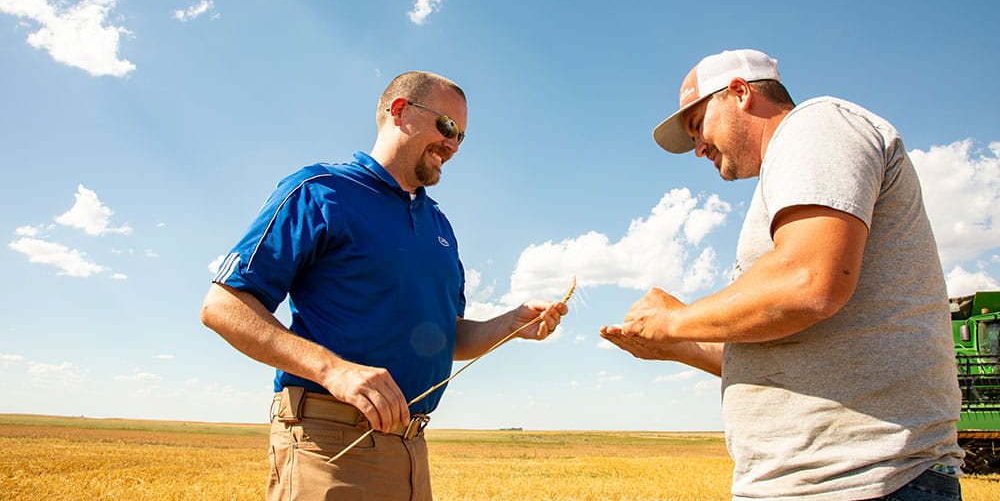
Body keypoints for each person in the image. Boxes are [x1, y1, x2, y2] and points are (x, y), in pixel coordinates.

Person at [600, 50, 964, 500]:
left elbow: (807, 283)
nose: (698, 148)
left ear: (739, 92)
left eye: (698, 126)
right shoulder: (784, 177)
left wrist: (674, 319)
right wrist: (679, 345)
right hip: (822, 481)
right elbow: (777, 336)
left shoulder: (817, 125)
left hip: (863, 478)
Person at [200, 71, 568, 501]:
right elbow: (222, 306)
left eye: (461, 137)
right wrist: (334, 370)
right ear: (400, 111)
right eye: (447, 126)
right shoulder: (320, 191)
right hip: (329, 448)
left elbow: (446, 338)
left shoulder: (440, 226)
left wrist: (509, 325)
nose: (452, 144)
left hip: (412, 450)